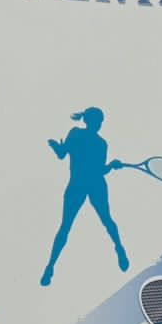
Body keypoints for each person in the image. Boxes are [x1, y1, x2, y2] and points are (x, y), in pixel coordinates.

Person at [41, 108, 130, 285]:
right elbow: (99, 170)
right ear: (91, 121)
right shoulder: (99, 143)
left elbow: (62, 155)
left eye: (100, 122)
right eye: (98, 121)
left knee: (69, 226)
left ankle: (50, 267)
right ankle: (119, 247)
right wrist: (111, 166)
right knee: (103, 221)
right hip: (91, 184)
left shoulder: (79, 135)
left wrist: (55, 146)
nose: (99, 124)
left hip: (81, 184)